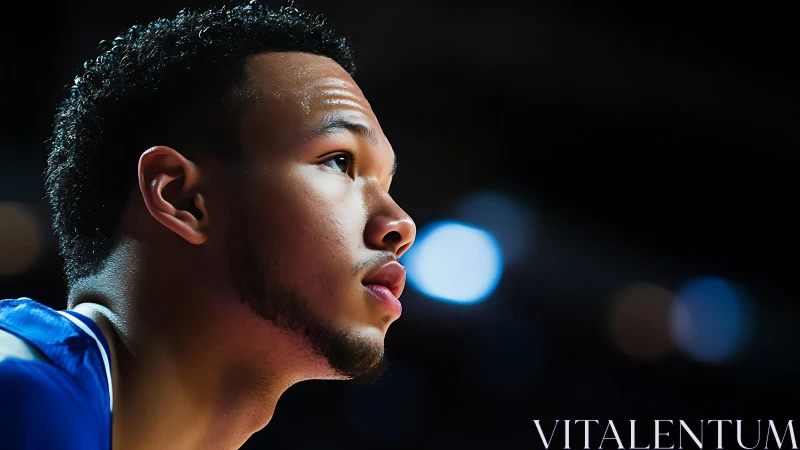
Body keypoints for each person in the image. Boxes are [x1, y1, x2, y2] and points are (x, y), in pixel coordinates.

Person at [0, 2, 416, 449]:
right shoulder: (19, 393)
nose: (400, 224)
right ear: (183, 199)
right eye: (339, 162)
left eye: (388, 183)